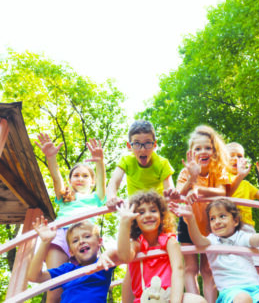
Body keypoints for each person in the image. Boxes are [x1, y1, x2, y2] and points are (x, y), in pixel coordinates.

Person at [169, 197, 259, 303]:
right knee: (243, 298)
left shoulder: (242, 237)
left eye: (222, 216)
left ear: (235, 220)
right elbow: (198, 240)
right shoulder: (212, 241)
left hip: (256, 288)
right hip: (231, 292)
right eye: (212, 218)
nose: (217, 222)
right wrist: (190, 218)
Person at [105, 120, 178, 302]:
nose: (142, 149)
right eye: (137, 143)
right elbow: (114, 182)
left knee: (168, 253)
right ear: (130, 146)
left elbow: (170, 186)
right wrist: (111, 197)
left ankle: (170, 292)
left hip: (157, 215)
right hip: (137, 216)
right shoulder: (127, 161)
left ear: (154, 144)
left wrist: (171, 192)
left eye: (147, 143)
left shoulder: (161, 163)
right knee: (132, 259)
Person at [35, 133, 106, 303]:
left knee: (83, 283)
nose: (80, 178)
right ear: (70, 180)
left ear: (93, 181)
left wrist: (99, 162)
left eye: (85, 176)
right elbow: (56, 177)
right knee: (55, 289)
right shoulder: (65, 197)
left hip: (85, 239)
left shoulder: (97, 198)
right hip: (60, 237)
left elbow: (103, 181)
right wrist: (51, 158)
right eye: (76, 175)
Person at [116, 190, 207, 303]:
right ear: (134, 219)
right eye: (141, 212)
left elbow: (178, 269)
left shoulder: (169, 241)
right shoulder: (137, 244)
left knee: (197, 301)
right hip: (145, 299)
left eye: (153, 210)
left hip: (169, 297)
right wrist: (125, 224)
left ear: (161, 215)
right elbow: (124, 256)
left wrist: (175, 301)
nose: (148, 215)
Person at [176, 125, 230, 302]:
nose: (203, 152)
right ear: (191, 153)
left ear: (214, 151)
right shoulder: (186, 172)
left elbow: (223, 192)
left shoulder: (218, 169)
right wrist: (192, 179)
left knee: (207, 269)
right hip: (188, 222)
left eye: (207, 147)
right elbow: (178, 195)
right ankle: (195, 300)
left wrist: (198, 189)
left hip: (210, 226)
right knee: (190, 267)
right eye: (197, 149)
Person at [27, 217, 120, 303]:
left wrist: (107, 253)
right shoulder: (67, 270)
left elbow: (123, 253)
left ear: (99, 242)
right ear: (71, 252)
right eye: (75, 241)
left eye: (87, 236)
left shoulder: (101, 264)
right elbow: (34, 276)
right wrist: (45, 242)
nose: (81, 241)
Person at [226, 142, 259, 284]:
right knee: (230, 269)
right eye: (231, 155)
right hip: (227, 230)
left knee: (256, 267)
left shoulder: (246, 185)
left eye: (239, 156)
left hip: (247, 229)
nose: (235, 159)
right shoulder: (222, 181)